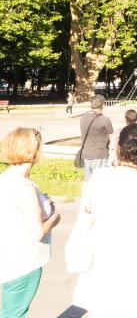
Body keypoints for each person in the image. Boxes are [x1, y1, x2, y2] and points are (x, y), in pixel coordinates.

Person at [73, 123, 137, 317]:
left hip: (103, 253)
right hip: (136, 257)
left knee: (102, 308)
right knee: (136, 308)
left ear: (118, 148)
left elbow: (88, 207)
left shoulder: (100, 176)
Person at [0, 128, 60, 317]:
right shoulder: (24, 188)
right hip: (23, 262)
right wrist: (54, 219)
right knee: (14, 314)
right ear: (34, 151)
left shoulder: (5, 179)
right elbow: (37, 233)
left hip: (7, 257)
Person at [78, 94, 113, 181]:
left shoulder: (83, 117)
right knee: (99, 182)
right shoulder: (105, 119)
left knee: (88, 182)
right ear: (103, 105)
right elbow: (112, 138)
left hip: (86, 154)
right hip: (100, 155)